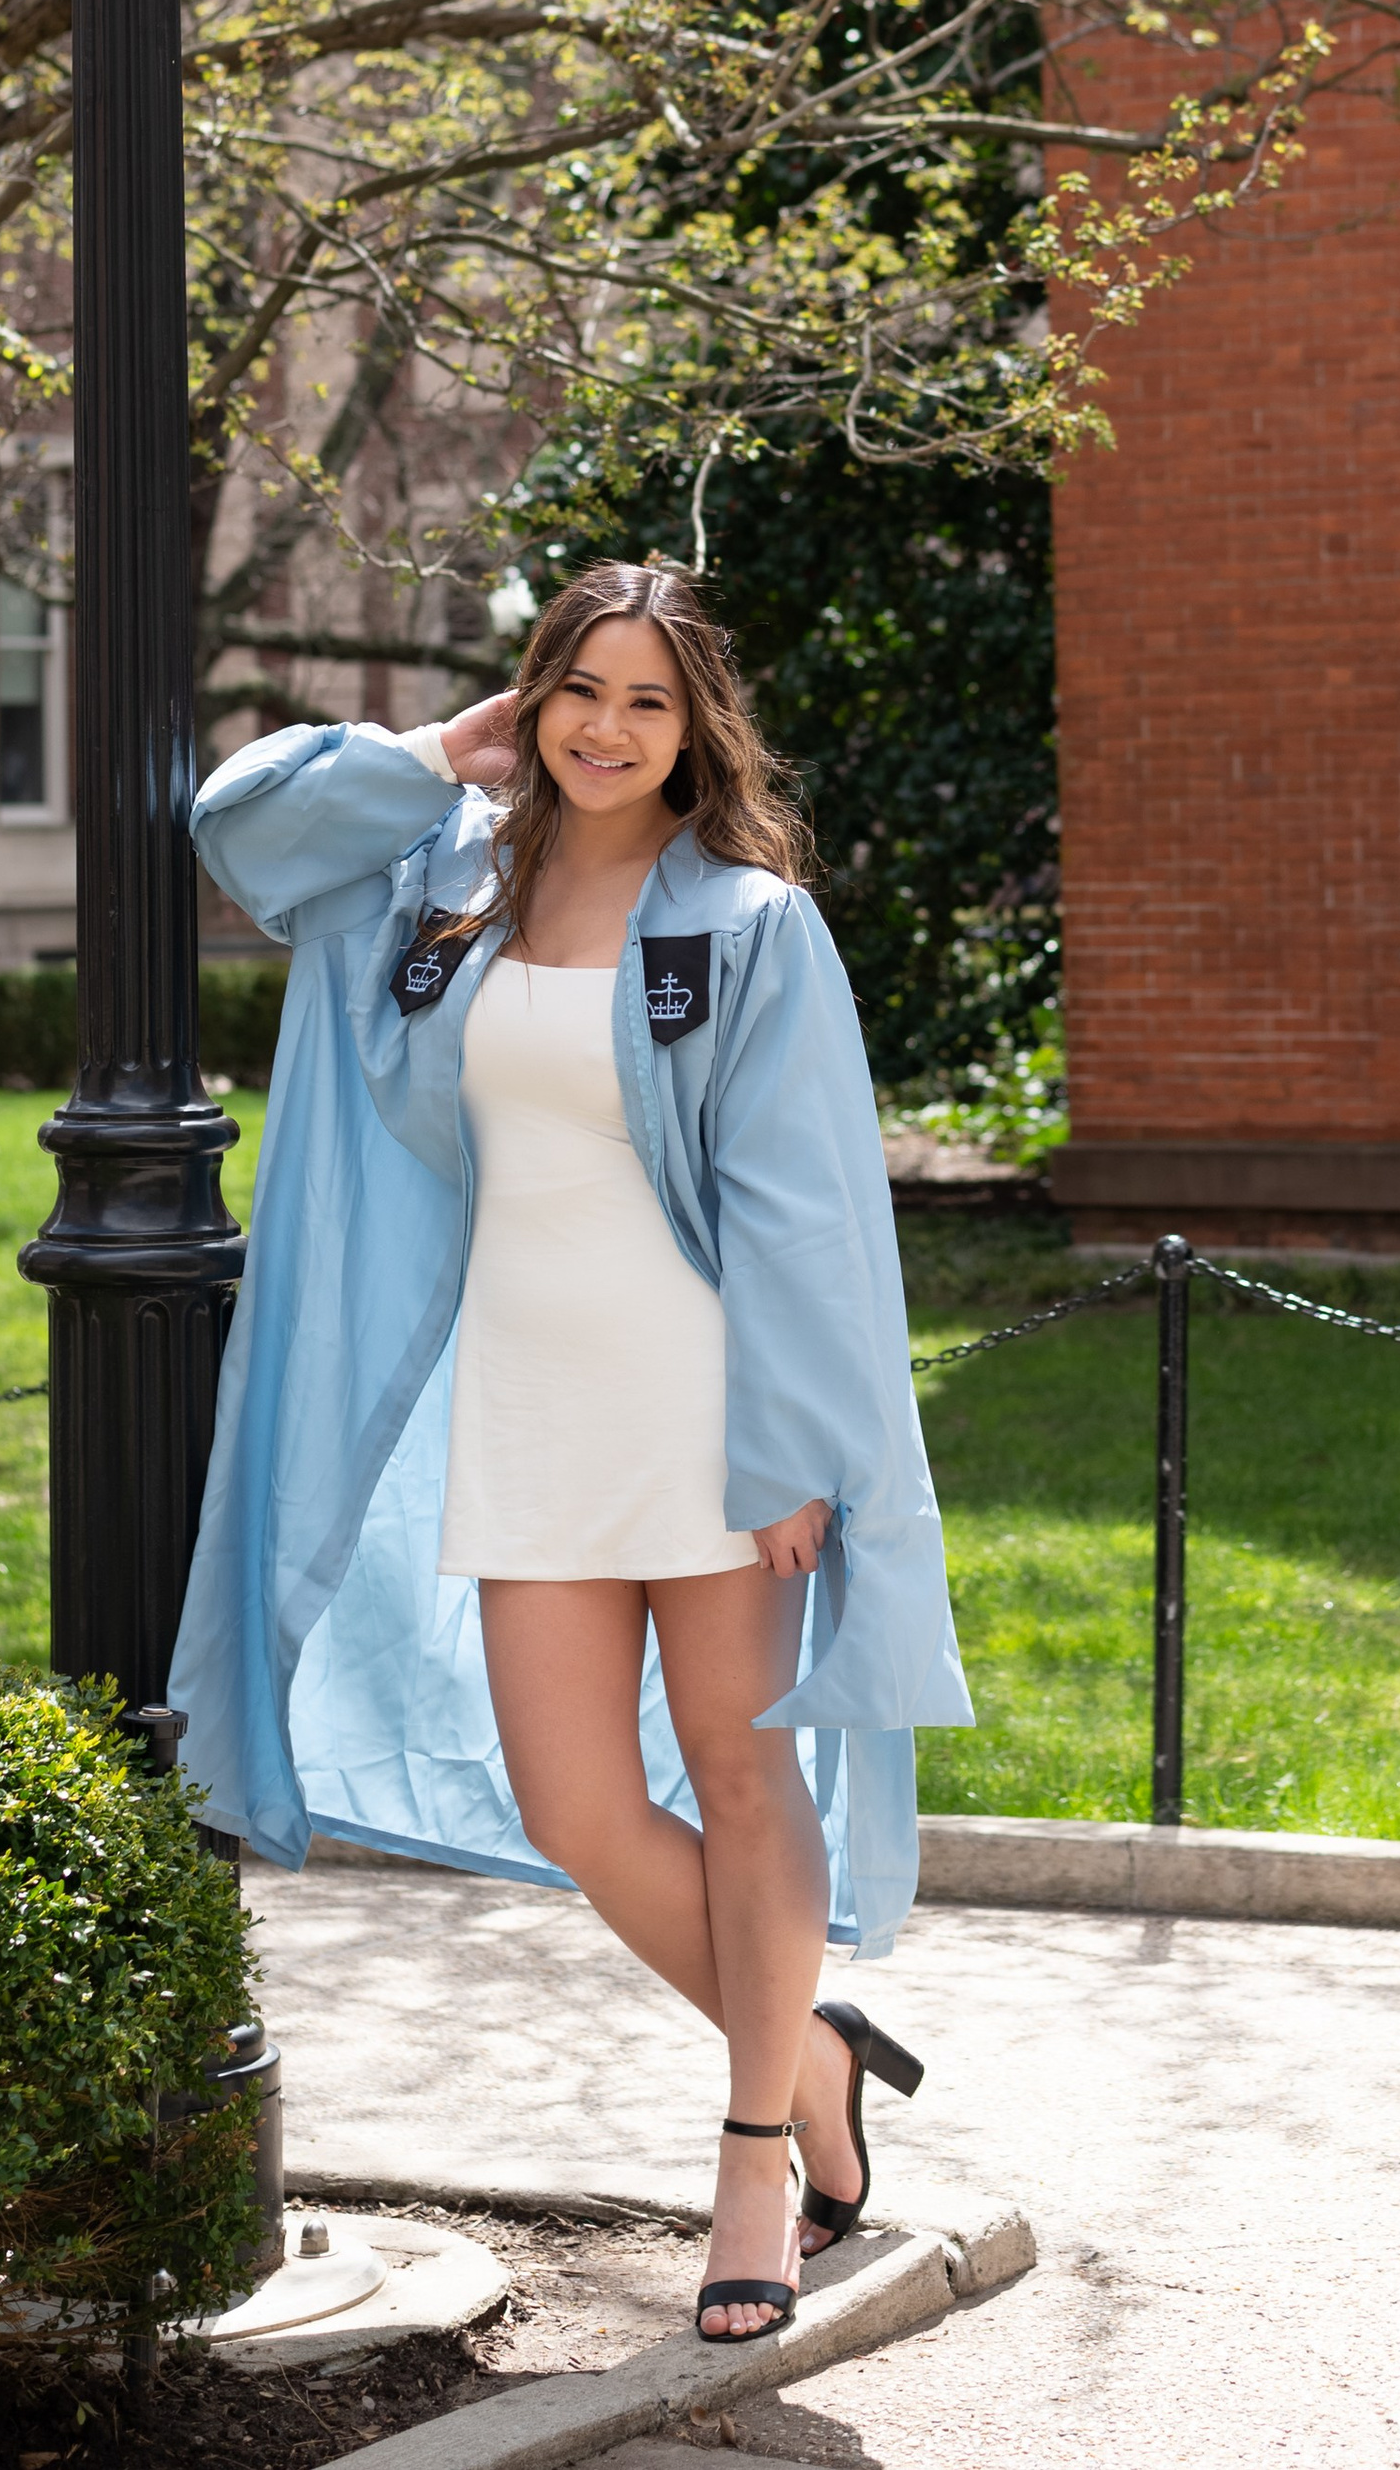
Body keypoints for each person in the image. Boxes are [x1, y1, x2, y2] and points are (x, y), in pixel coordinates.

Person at [165, 559, 972, 2343]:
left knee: (741, 1779)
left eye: (649, 701)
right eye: (577, 691)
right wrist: (432, 755)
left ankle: (755, 2154)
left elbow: (810, 1214)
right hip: (528, 1406)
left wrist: (793, 1453)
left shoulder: (750, 925)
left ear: (699, 734)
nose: (609, 729)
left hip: (710, 1413)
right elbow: (240, 834)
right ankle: (819, 2053)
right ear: (532, 702)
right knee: (577, 1805)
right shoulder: (433, 886)